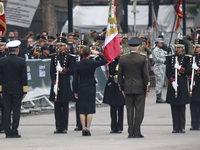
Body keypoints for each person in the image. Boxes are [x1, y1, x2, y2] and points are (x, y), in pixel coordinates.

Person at [118, 37, 149, 138]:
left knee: (129, 110)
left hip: (127, 87)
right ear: (139, 48)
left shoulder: (123, 59)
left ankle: (130, 132)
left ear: (129, 47)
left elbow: (120, 76)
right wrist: (146, 88)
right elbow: (145, 76)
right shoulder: (142, 59)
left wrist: (122, 88)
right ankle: (137, 131)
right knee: (139, 110)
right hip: (139, 87)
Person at [73, 46, 108, 136]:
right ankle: (88, 128)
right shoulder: (92, 62)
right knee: (89, 109)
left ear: (81, 53)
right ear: (89, 54)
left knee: (81, 110)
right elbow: (105, 61)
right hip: (91, 87)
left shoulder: (78, 64)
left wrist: (75, 90)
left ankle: (83, 128)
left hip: (81, 87)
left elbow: (75, 78)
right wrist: (99, 54)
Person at [0, 40, 27, 138]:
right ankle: (14, 130)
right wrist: (24, 90)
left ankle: (7, 131)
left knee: (6, 110)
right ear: (17, 50)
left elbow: (0, 76)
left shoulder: (2, 60)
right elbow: (24, 77)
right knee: (16, 110)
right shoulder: (21, 61)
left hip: (6, 89)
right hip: (17, 89)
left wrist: (0, 90)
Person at [49, 36, 75, 134]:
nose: (59, 47)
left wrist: (63, 70)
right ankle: (58, 126)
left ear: (65, 47)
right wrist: (54, 82)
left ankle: (64, 126)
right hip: (56, 82)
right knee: (57, 106)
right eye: (58, 45)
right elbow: (51, 71)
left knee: (64, 105)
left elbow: (72, 71)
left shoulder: (69, 57)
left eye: (61, 46)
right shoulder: (54, 57)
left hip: (64, 82)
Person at [165, 39, 191, 133]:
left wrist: (181, 68)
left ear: (182, 48)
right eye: (176, 47)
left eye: (179, 47)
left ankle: (182, 126)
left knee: (181, 105)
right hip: (174, 83)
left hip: (182, 83)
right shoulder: (169, 58)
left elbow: (188, 71)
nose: (177, 49)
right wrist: (172, 81)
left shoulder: (187, 58)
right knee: (174, 106)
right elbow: (167, 72)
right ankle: (175, 127)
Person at [103, 56, 125, 134]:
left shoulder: (122, 60)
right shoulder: (110, 60)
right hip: (112, 82)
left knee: (120, 107)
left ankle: (119, 127)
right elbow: (103, 60)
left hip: (120, 83)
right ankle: (113, 126)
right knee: (112, 107)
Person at [189, 36, 200, 130]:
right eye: (194, 47)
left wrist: (198, 69)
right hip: (193, 84)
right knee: (193, 105)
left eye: (197, 47)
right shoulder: (191, 58)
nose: (195, 49)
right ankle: (194, 124)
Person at [152, 38, 167, 103]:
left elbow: (165, 54)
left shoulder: (161, 50)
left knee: (161, 82)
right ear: (157, 43)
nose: (161, 43)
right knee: (159, 82)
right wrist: (164, 60)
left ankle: (160, 96)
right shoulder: (156, 50)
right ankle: (158, 97)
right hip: (158, 67)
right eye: (160, 42)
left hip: (162, 67)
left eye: (162, 42)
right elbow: (157, 58)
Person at [0, 37, 7, 133]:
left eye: (2, 45)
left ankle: (4, 125)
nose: (0, 46)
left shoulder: (6, 56)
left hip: (4, 84)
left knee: (5, 107)